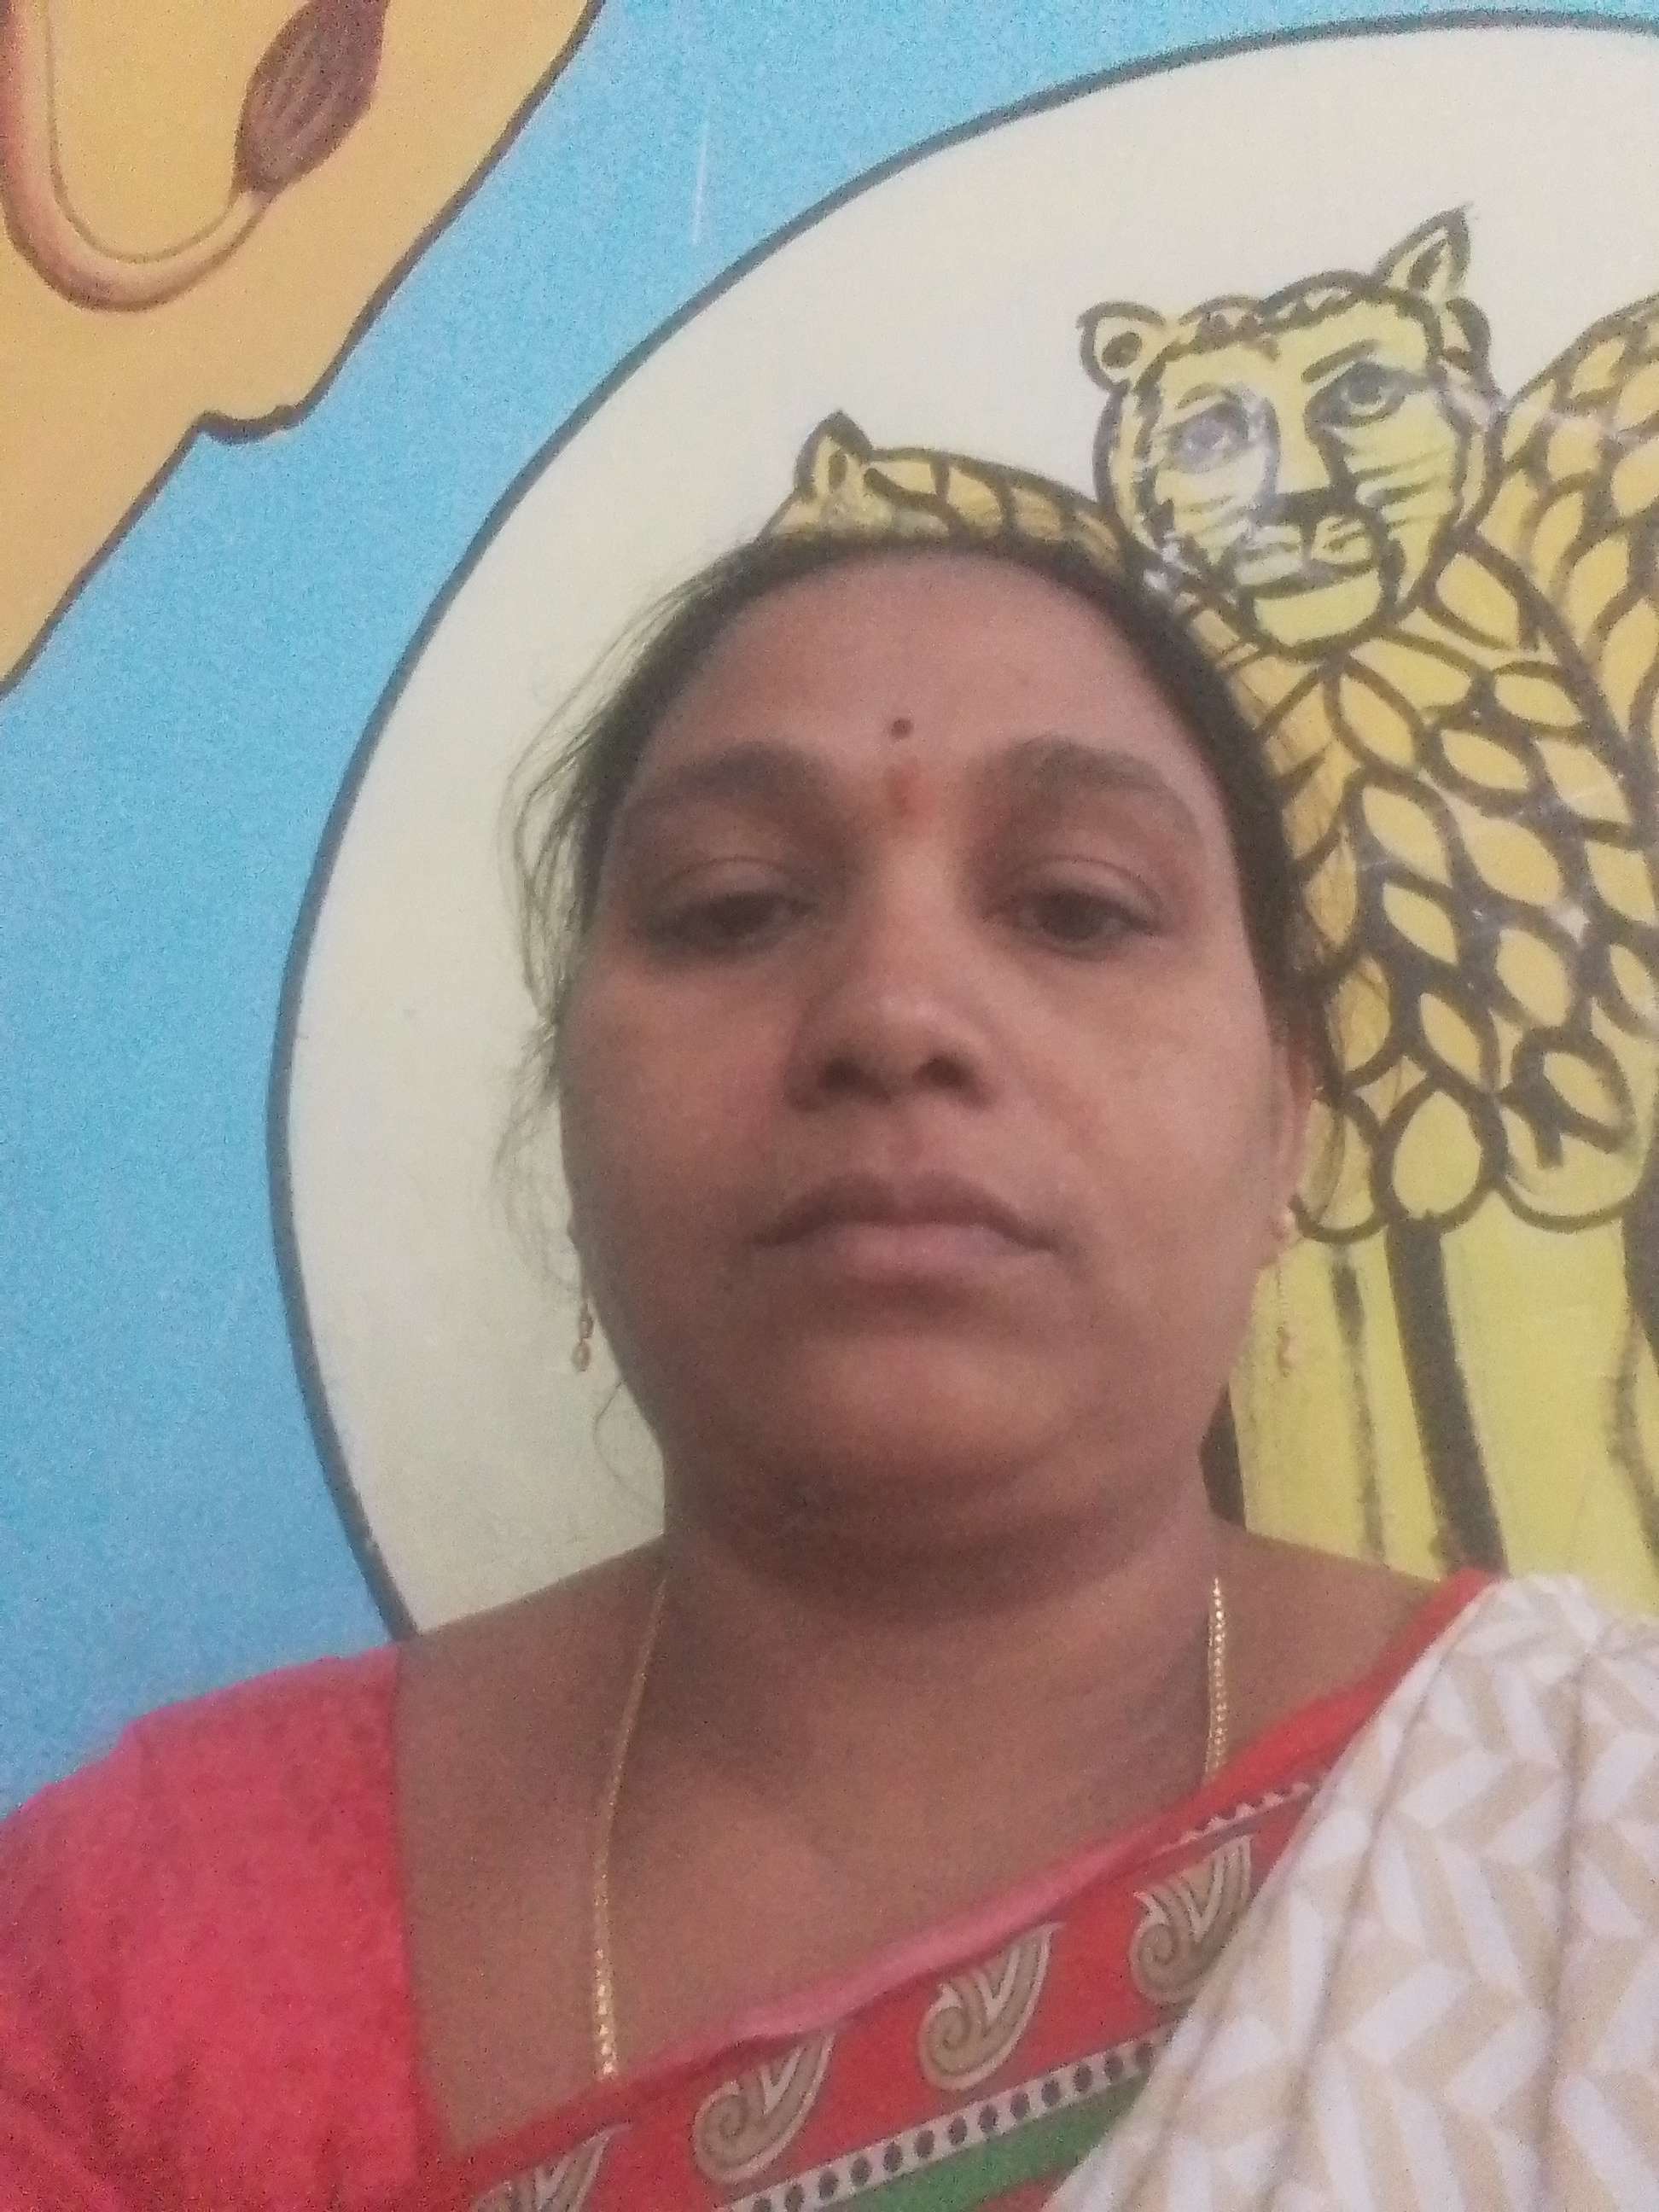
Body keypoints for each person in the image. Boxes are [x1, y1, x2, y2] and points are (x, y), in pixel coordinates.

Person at [1, 526, 1653, 2212]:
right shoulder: (142, 1938)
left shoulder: (1592, 1845)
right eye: (733, 909)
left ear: (1287, 1119)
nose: (895, 1012)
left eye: (1077, 907)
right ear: (567, 1119)